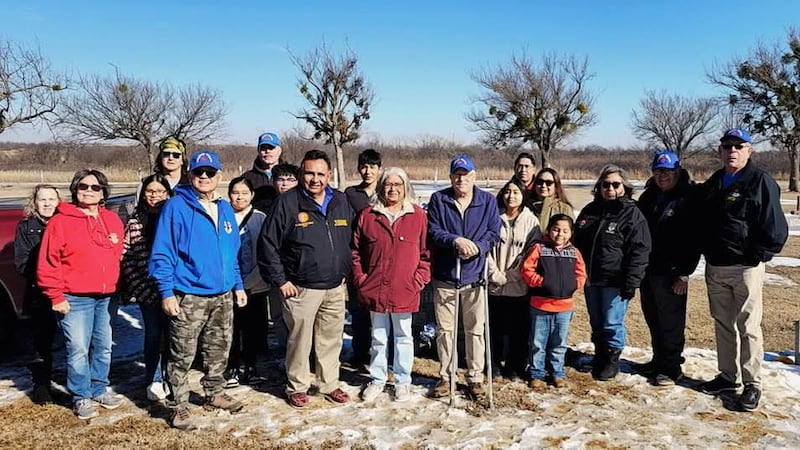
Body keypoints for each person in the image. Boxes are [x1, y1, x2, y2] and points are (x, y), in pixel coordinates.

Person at [150, 150, 248, 429]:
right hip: (189, 294)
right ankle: (178, 405)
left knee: (219, 349)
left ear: (219, 175)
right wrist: (166, 292)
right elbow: (163, 253)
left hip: (223, 294)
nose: (204, 177)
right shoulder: (176, 207)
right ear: (189, 174)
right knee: (181, 353)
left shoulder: (225, 207)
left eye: (210, 172)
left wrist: (237, 285)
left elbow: (232, 252)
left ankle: (214, 392)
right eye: (199, 172)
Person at [697, 128, 788, 412]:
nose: (732, 151)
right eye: (727, 146)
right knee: (723, 323)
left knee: (748, 325)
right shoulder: (715, 182)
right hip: (716, 266)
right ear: (719, 151)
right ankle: (728, 376)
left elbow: (775, 226)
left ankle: (752, 383)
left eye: (738, 146)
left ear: (750, 150)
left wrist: (758, 255)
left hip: (745, 267)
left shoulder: (760, 181)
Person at [258, 149, 355, 409]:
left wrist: (346, 272)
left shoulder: (341, 201)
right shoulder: (288, 203)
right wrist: (281, 281)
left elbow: (351, 241)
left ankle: (329, 383)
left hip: (334, 287)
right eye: (309, 173)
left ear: (330, 175)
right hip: (301, 287)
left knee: (330, 338)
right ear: (302, 173)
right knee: (299, 340)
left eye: (320, 174)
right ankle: (296, 386)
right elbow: (268, 244)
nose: (315, 179)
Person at [37, 169, 125, 419]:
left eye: (95, 187)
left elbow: (117, 254)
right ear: (75, 190)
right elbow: (48, 261)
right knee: (77, 348)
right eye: (83, 186)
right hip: (75, 297)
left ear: (103, 192)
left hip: (107, 296)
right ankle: (81, 395)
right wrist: (56, 296)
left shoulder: (112, 219)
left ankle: (98, 387)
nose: (89, 191)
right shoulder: (60, 221)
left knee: (104, 346)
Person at [352, 167, 430, 403]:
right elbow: (355, 252)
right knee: (378, 335)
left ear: (405, 188)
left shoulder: (417, 215)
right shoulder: (368, 215)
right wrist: (361, 279)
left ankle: (403, 380)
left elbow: (426, 254)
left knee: (404, 336)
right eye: (388, 184)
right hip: (375, 288)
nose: (393, 189)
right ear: (381, 187)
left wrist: (418, 280)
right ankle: (377, 379)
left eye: (398, 184)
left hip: (405, 289)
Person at [427, 154, 501, 398]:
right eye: (457, 175)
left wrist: (478, 246)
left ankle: (475, 377)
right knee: (445, 331)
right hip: (446, 275)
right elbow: (433, 231)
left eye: (466, 175)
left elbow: (493, 233)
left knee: (475, 330)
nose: (461, 179)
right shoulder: (439, 199)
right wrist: (455, 240)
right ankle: (446, 377)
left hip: (475, 276)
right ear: (451, 177)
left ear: (474, 176)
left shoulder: (487, 201)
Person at [573, 164, 651, 381]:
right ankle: (600, 353)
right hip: (591, 278)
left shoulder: (632, 214)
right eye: (605, 184)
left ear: (624, 187)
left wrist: (632, 281)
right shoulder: (590, 211)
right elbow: (576, 241)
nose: (610, 188)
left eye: (615, 184)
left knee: (611, 322)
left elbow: (640, 250)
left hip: (615, 280)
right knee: (596, 320)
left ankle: (612, 359)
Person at [635, 150, 701, 386]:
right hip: (648, 270)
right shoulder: (648, 197)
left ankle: (672, 368)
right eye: (658, 171)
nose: (663, 176)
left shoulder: (688, 197)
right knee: (653, 317)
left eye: (668, 171)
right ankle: (658, 360)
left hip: (673, 272)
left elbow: (695, 239)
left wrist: (684, 273)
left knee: (671, 322)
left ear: (678, 171)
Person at [121, 174, 173, 402]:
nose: (155, 196)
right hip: (146, 289)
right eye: (151, 192)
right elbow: (127, 256)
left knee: (173, 335)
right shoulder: (134, 221)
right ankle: (153, 378)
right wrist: (138, 286)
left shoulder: (173, 217)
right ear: (143, 194)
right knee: (153, 334)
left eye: (161, 192)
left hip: (172, 289)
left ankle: (172, 377)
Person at [521, 214, 586, 390]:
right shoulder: (539, 248)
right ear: (549, 230)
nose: (560, 234)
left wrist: (574, 285)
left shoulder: (574, 251)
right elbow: (527, 269)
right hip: (540, 305)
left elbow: (581, 273)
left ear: (571, 233)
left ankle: (557, 372)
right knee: (537, 342)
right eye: (556, 229)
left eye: (565, 231)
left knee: (559, 342)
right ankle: (536, 373)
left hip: (564, 307)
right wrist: (541, 282)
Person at [486, 179, 540, 382]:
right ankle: (494, 365)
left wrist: (511, 276)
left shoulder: (531, 221)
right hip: (494, 284)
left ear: (523, 195)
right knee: (494, 329)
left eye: (516, 192)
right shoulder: (493, 217)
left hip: (518, 286)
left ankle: (515, 366)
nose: (511, 196)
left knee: (518, 330)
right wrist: (495, 274)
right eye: (507, 191)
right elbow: (486, 247)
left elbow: (531, 253)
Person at [14, 184, 60, 404]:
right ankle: (42, 385)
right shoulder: (25, 227)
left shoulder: (66, 224)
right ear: (34, 202)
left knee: (75, 341)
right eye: (43, 199)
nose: (48, 203)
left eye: (52, 199)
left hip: (69, 292)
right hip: (39, 293)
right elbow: (21, 263)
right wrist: (47, 274)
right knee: (42, 341)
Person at [224, 176, 269, 387]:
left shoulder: (260, 218)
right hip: (228, 285)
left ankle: (251, 366)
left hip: (256, 283)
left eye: (244, 192)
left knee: (253, 329)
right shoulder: (222, 216)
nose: (239, 197)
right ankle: (232, 367)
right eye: (235, 192)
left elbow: (266, 252)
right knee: (230, 328)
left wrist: (251, 281)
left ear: (252, 195)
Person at [344, 148, 383, 368]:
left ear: (379, 169)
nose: (368, 171)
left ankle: (382, 355)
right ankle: (359, 353)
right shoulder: (350, 194)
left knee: (381, 312)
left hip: (381, 259)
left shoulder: (387, 190)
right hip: (358, 260)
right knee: (358, 310)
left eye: (372, 167)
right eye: (364, 167)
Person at [243, 131, 281, 212]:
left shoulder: (291, 176)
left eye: (271, 148)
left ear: (279, 151)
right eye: (263, 148)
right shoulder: (247, 178)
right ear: (258, 151)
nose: (267, 151)